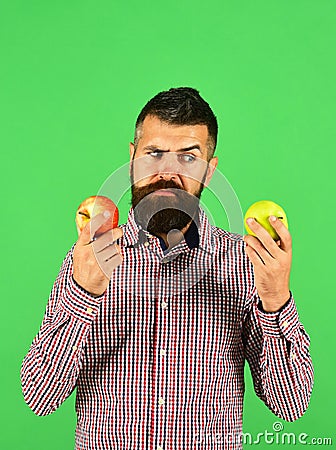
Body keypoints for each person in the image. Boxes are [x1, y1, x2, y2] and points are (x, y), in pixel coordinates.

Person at [21, 87, 314, 450]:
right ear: (132, 159)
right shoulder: (87, 259)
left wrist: (275, 299)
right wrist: (83, 293)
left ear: (210, 171)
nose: (167, 172)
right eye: (154, 154)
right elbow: (40, 396)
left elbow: (292, 404)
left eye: (188, 159)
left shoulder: (246, 262)